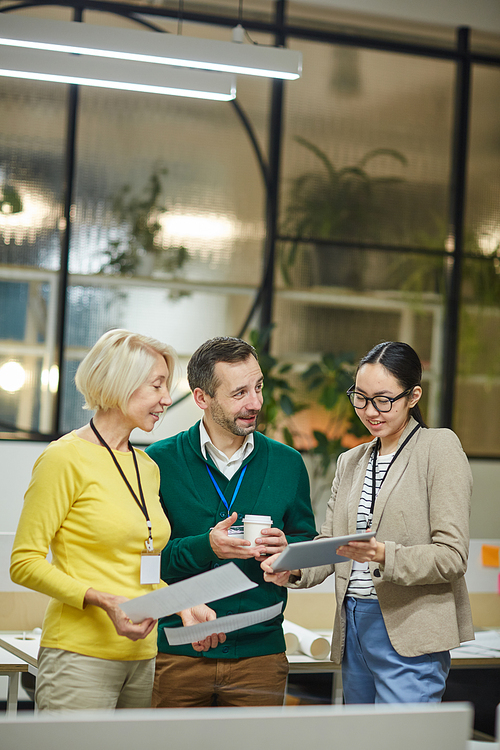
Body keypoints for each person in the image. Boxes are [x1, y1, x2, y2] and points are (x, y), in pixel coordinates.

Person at [10, 329, 223, 712]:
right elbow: (23, 563)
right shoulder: (64, 458)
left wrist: (181, 603)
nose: (165, 399)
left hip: (142, 657)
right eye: (156, 386)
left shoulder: (147, 466)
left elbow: (138, 566)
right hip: (78, 655)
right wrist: (103, 600)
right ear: (120, 383)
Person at [262, 341, 474, 704]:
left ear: (413, 396)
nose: (369, 410)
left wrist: (381, 554)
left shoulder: (437, 448)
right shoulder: (351, 461)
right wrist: (293, 566)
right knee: (360, 737)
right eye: (359, 398)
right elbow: (332, 543)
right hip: (354, 625)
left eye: (383, 399)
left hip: (410, 628)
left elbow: (452, 556)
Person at [146, 336, 317, 708]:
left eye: (258, 388)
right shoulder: (156, 463)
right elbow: (145, 563)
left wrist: (291, 559)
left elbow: (306, 543)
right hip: (178, 655)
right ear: (201, 398)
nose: (255, 403)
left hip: (261, 658)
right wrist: (206, 546)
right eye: (239, 393)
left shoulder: (288, 463)